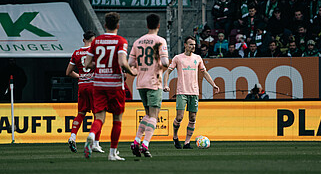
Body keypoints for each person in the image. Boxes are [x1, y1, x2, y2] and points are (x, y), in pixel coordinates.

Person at [84, 12, 137, 161]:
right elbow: (121, 62)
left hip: (99, 84)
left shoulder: (96, 41)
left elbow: (87, 64)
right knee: (117, 119)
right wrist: (131, 71)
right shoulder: (121, 41)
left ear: (105, 25)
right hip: (114, 85)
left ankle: (91, 135)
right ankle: (112, 153)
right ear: (118, 26)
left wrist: (100, 65)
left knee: (99, 117)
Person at [163, 36, 220, 149]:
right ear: (185, 45)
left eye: (194, 44)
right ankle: (175, 137)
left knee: (192, 118)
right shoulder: (178, 58)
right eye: (190, 44)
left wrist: (213, 84)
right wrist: (165, 85)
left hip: (194, 92)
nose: (193, 46)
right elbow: (167, 72)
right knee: (179, 117)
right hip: (182, 92)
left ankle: (187, 143)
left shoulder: (198, 58)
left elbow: (204, 73)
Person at [128, 14, 169, 158]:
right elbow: (164, 62)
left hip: (141, 83)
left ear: (147, 25)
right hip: (154, 82)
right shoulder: (160, 41)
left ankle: (136, 141)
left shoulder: (138, 42)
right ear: (159, 25)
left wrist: (137, 71)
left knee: (147, 114)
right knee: (154, 115)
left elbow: (130, 65)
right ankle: (145, 144)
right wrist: (168, 66)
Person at [66, 30, 105, 153]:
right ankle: (96, 144)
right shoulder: (96, 52)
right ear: (94, 41)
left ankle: (72, 136)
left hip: (82, 86)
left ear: (84, 40)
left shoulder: (76, 53)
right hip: (94, 86)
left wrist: (80, 76)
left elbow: (68, 72)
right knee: (98, 115)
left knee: (81, 113)